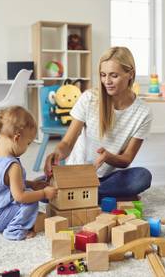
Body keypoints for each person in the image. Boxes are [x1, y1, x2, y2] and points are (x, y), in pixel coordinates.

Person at [44, 46, 152, 202]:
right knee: (41, 189)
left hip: (107, 179)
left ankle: (78, 195)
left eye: (114, 75)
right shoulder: (89, 98)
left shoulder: (143, 112)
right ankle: (95, 195)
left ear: (130, 74)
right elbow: (67, 142)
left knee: (142, 177)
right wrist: (56, 154)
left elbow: (127, 159)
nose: (107, 81)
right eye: (103, 75)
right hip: (78, 173)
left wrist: (108, 157)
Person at [0, 106, 57, 240]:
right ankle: (14, 231)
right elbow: (20, 197)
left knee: (29, 191)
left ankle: (13, 223)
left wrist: (31, 184)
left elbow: (6, 184)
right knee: (31, 202)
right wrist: (43, 193)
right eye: (27, 143)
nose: (27, 147)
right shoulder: (13, 166)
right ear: (17, 138)